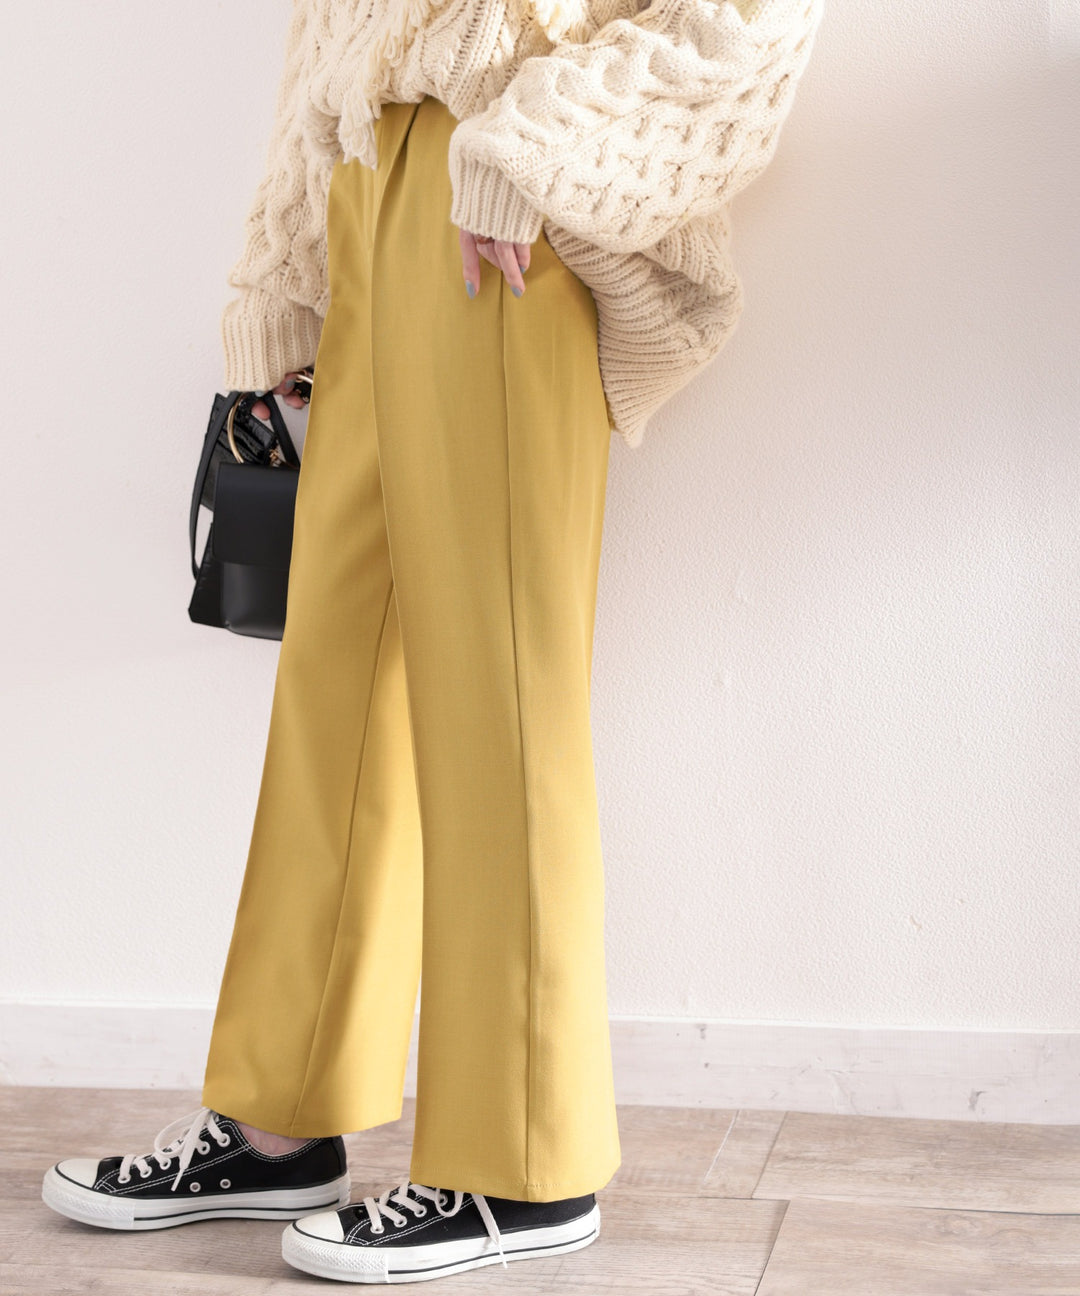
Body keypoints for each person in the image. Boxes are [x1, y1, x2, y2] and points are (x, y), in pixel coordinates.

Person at [41, 0, 823, 1283]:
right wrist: (283, 287)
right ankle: (280, 1121)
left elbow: (743, 21)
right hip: (372, 204)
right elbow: (333, 37)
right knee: (334, 704)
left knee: (499, 702)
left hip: (506, 222)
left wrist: (530, 151)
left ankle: (526, 1164)